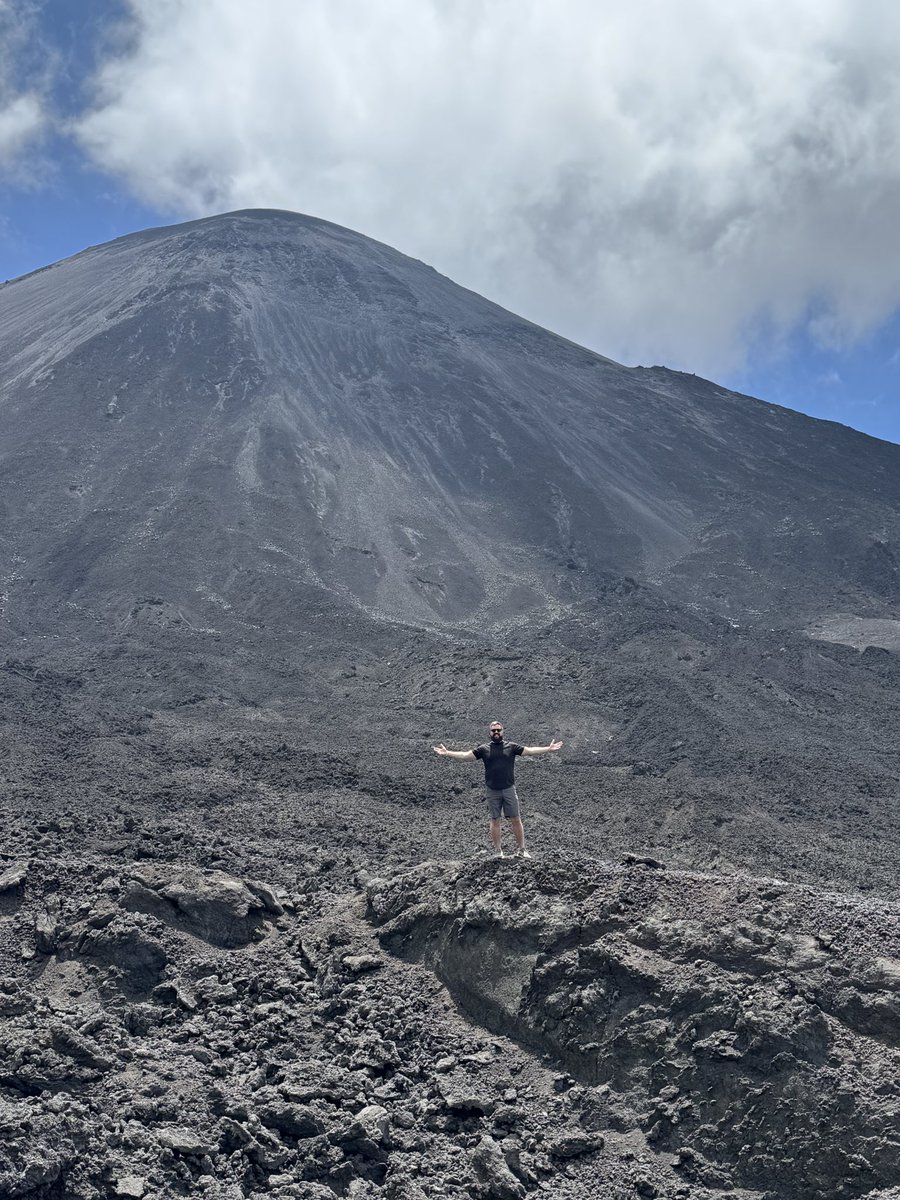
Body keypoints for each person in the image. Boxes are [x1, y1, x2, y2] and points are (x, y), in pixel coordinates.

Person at [433, 721, 563, 858]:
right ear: (489, 733)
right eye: (493, 730)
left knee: (516, 819)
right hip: (492, 790)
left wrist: (547, 749)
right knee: (495, 820)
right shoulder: (484, 749)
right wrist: (447, 753)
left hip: (509, 789)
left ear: (502, 731)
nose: (496, 733)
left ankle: (522, 850)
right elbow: (466, 756)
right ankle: (498, 852)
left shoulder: (511, 747)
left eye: (498, 730)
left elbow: (529, 750)